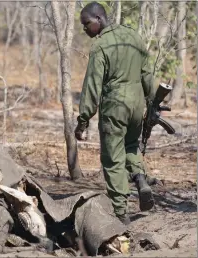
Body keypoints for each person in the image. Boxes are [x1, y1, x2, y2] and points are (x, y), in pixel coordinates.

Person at [74, 2, 156, 225]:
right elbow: (147, 75)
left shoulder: (100, 47)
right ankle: (140, 179)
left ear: (99, 19)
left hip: (115, 106)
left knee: (112, 158)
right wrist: (152, 102)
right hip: (137, 104)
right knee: (130, 146)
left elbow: (92, 85)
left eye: (86, 24)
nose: (84, 29)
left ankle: (121, 213)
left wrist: (83, 120)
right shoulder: (134, 37)